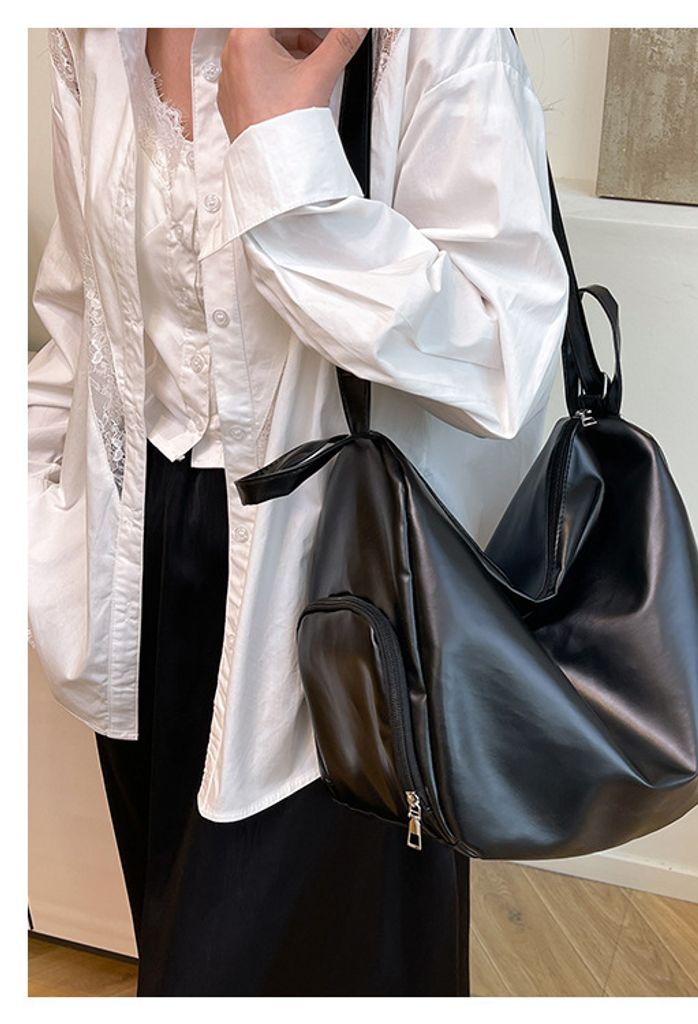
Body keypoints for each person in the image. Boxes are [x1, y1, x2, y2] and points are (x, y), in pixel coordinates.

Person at [28, 27, 570, 996]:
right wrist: (34, 530)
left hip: (346, 592)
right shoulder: (89, 31)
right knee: (173, 945)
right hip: (140, 571)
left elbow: (504, 351)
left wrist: (281, 157)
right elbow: (79, 316)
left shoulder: (426, 35)